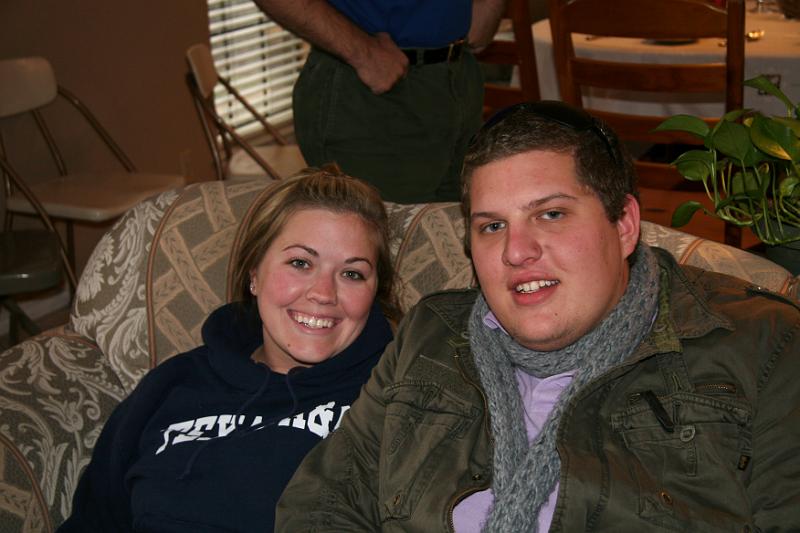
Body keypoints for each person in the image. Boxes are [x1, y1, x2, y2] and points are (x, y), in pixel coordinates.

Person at [275, 101, 800, 531]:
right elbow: (322, 502)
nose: (516, 251)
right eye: (492, 226)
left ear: (624, 225)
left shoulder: (761, 343)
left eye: (550, 214)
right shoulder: (430, 334)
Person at [58, 168, 399, 532]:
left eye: (352, 274)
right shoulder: (171, 384)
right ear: (254, 274)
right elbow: (93, 521)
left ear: (375, 292)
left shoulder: (394, 397)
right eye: (300, 263)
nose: (323, 294)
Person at [252, 0, 508, 204]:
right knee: (386, 238)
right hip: (372, 92)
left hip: (457, 77)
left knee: (451, 235)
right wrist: (363, 53)